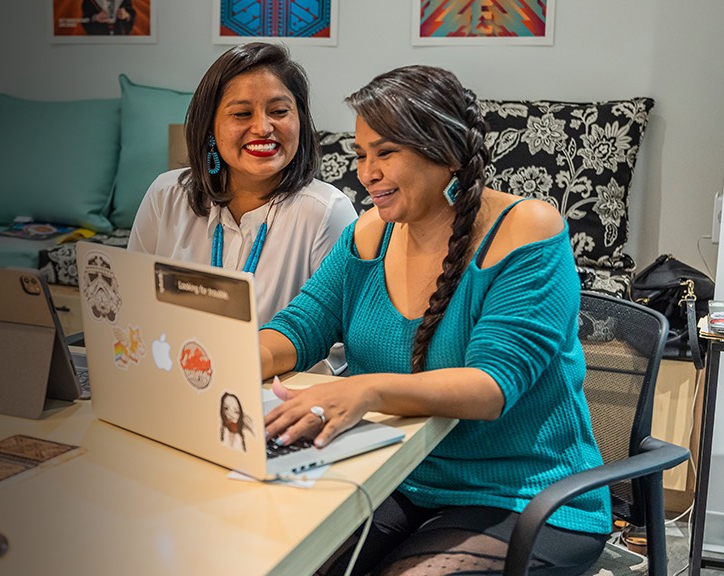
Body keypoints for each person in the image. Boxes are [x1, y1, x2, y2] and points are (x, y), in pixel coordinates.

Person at [259, 65, 611, 575]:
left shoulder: (527, 229)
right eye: (361, 155)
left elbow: (490, 387)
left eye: (385, 153)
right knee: (283, 559)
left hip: (524, 496)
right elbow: (299, 328)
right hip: (396, 476)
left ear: (445, 152)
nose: (366, 172)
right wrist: (239, 356)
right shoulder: (368, 235)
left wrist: (365, 390)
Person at [128, 42, 357, 337]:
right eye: (241, 114)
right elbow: (132, 307)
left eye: (279, 111)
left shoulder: (327, 212)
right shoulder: (167, 194)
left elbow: (341, 343)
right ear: (210, 127)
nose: (263, 128)